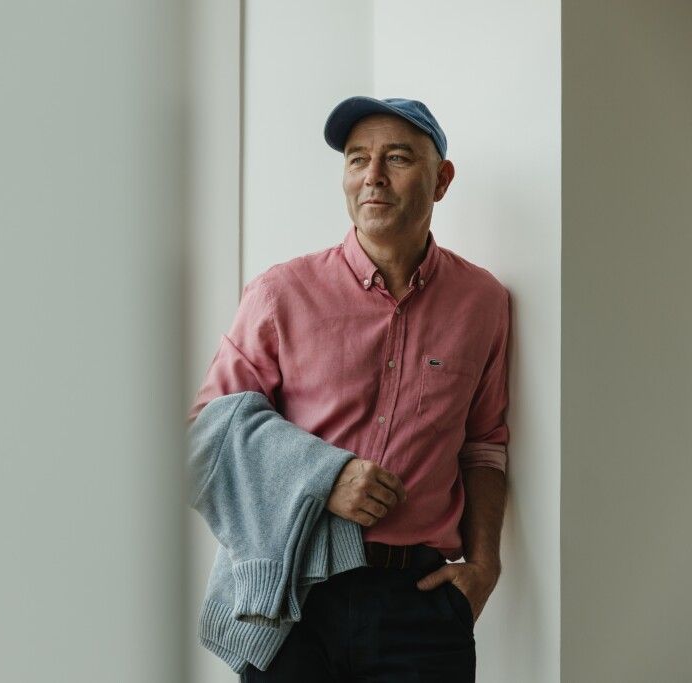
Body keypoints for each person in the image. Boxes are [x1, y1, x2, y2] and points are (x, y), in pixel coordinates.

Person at [187, 96, 510, 681]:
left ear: (441, 181)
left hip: (423, 605)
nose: (373, 177)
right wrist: (322, 475)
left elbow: (484, 444)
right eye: (357, 159)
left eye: (397, 158)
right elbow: (205, 430)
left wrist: (484, 564)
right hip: (296, 604)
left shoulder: (483, 302)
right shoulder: (280, 293)